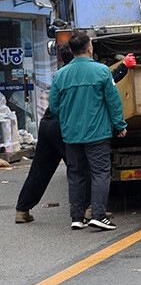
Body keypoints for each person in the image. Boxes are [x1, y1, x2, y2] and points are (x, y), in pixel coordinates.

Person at [15, 44, 134, 223]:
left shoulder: (62, 73)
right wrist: (123, 66)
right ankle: (89, 209)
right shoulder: (83, 71)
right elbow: (104, 81)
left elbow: (54, 102)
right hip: (66, 125)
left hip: (48, 124)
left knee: (40, 169)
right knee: (83, 168)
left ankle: (22, 209)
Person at [49, 32, 127, 231]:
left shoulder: (60, 75)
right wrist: (120, 125)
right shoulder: (102, 71)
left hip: (71, 134)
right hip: (97, 133)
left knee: (75, 174)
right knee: (100, 173)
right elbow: (113, 101)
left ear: (71, 50)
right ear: (90, 49)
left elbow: (54, 106)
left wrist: (67, 122)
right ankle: (98, 215)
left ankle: (77, 217)